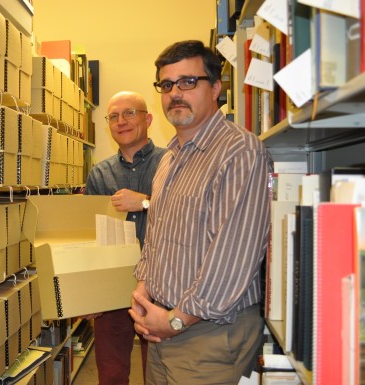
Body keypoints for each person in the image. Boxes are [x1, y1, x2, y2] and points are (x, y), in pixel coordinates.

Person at [128, 40, 271, 385]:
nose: (175, 93)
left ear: (216, 88)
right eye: (167, 85)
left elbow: (234, 257)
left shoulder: (240, 151)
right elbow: (158, 233)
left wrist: (177, 320)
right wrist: (145, 289)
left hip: (209, 337)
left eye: (188, 82)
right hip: (162, 330)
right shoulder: (170, 157)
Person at [84, 91, 167, 385]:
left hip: (162, 288)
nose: (122, 122)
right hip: (112, 290)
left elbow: (188, 218)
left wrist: (144, 202)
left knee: (158, 373)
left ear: (148, 118)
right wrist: (90, 292)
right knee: (111, 374)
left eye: (130, 113)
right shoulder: (99, 173)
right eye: (114, 117)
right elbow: (89, 234)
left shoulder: (171, 163)